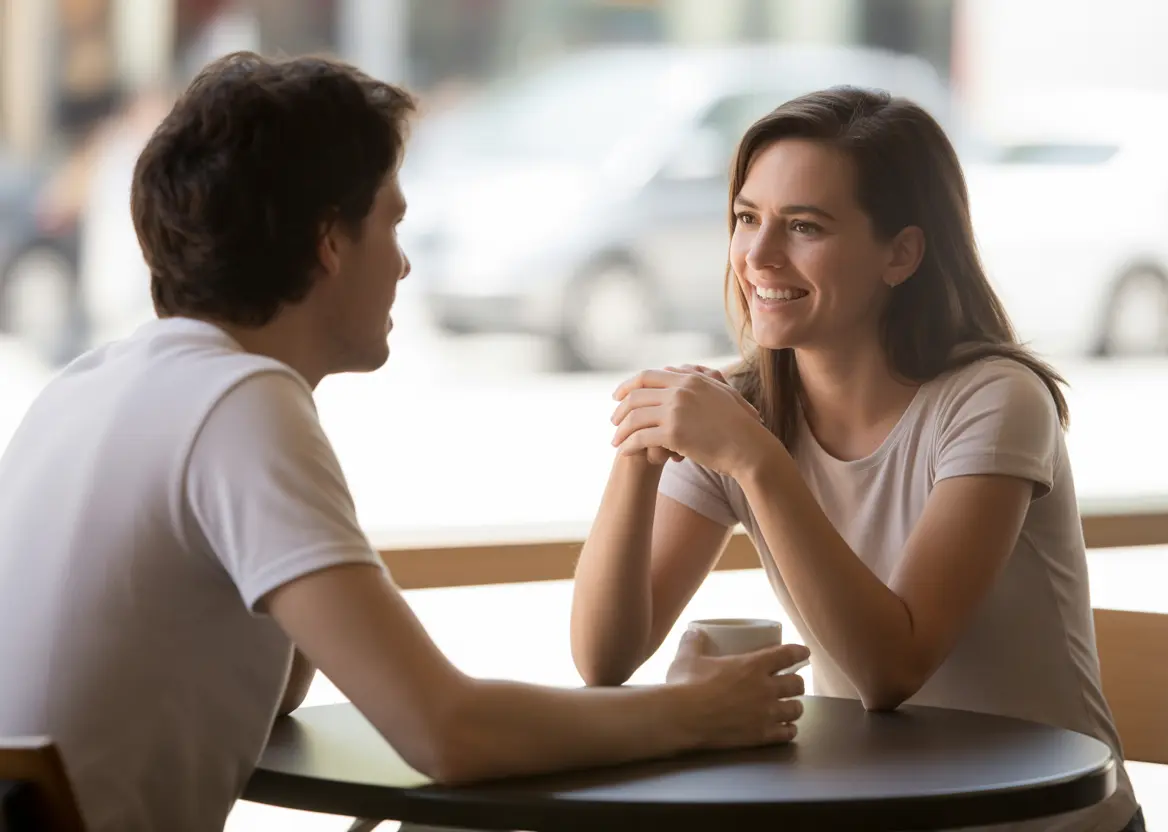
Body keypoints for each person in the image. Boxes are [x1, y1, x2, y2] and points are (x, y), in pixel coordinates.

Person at [0, 52, 809, 832]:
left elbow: (274, 686)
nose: (405, 266)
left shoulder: (88, 387)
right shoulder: (238, 405)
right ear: (329, 242)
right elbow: (447, 734)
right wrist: (696, 712)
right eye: (391, 222)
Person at [569, 87, 1144, 832]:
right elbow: (605, 659)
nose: (759, 256)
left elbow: (890, 670)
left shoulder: (995, 401)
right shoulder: (742, 411)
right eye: (747, 218)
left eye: (804, 226)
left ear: (901, 253)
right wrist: (640, 455)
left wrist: (759, 462)